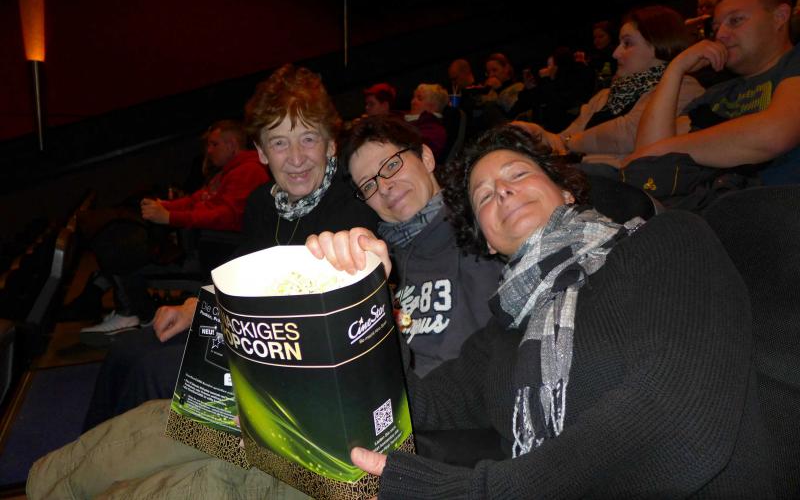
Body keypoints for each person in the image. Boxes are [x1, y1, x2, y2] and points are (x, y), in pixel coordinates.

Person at [309, 124, 773, 497]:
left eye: (517, 174)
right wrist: (360, 297)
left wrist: (475, 492)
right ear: (488, 241)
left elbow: (678, 423)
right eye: (483, 196)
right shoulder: (502, 336)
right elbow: (417, 406)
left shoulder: (665, 241)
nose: (501, 192)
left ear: (566, 190)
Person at [80, 63, 379, 432]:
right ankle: (92, 453)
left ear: (331, 144)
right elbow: (240, 274)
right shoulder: (261, 203)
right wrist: (196, 306)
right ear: (262, 152)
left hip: (295, 360)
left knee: (152, 370)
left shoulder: (352, 208)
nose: (296, 157)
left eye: (308, 139)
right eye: (279, 142)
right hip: (245, 332)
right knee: (127, 349)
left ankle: (143, 458)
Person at [76, 120, 270, 346]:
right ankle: (131, 311)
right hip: (204, 245)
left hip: (217, 252)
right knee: (122, 246)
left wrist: (170, 217)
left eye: (214, 144)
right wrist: (163, 206)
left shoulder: (248, 171)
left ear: (232, 144)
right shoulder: (228, 172)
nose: (208, 151)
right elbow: (196, 200)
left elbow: (226, 217)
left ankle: (132, 313)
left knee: (125, 254)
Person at [340, 115, 503, 376]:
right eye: (369, 184)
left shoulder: (482, 224)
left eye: (392, 165)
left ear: (426, 158)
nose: (384, 186)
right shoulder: (375, 265)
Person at [626, 0, 800, 186]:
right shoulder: (716, 94)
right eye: (716, 28)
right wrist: (676, 69)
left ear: (780, 16)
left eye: (735, 20)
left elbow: (774, 134)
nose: (720, 35)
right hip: (704, 201)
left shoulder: (793, 63)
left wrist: (665, 149)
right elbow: (646, 166)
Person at [516, 5, 704, 171]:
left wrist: (569, 143)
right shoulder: (607, 95)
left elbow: (630, 132)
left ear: (662, 45)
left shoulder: (683, 87)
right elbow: (564, 138)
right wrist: (540, 136)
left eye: (627, 43)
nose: (616, 53)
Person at [405, 83, 449, 161]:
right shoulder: (403, 118)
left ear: (433, 106)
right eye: (413, 97)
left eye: (419, 99)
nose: (412, 102)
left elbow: (416, 155)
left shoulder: (434, 130)